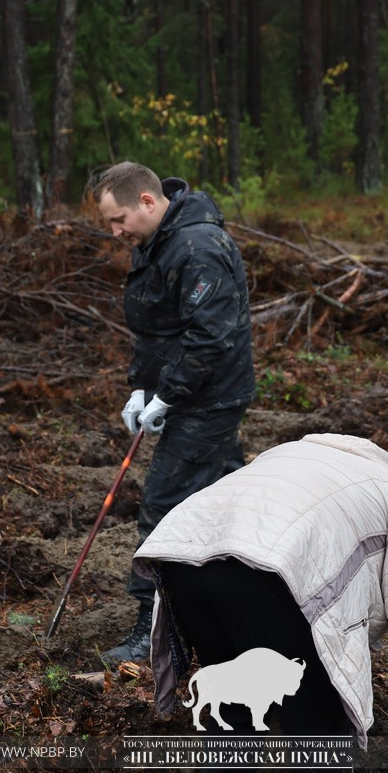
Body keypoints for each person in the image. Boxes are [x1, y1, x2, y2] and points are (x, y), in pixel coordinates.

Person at [134, 434, 388, 773]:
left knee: (231, 686)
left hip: (183, 554)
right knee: (316, 712)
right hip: (272, 570)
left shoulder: (292, 455)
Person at [92, 161, 255, 664]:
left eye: (118, 219)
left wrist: (170, 394)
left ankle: (157, 632)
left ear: (147, 200)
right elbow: (155, 328)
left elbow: (210, 337)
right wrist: (142, 389)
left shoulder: (198, 246)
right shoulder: (155, 243)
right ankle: (244, 605)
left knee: (163, 506)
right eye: (109, 223)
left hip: (211, 399)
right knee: (229, 501)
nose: (115, 232)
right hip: (188, 394)